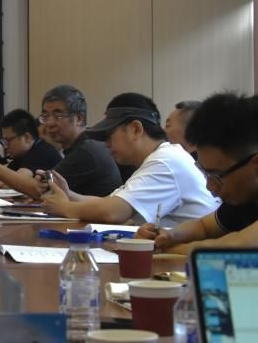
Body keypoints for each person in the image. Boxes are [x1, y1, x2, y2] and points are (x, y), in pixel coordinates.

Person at [42, 93, 218, 226]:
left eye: (109, 135)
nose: (106, 144)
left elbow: (113, 212)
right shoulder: (159, 158)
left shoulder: (166, 162)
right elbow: (109, 203)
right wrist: (69, 195)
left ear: (135, 129)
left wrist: (65, 207)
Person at [136, 92, 258, 251]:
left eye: (217, 175)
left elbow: (238, 246)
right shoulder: (243, 197)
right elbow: (203, 227)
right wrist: (169, 236)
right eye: (206, 173)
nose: (210, 187)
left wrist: (165, 248)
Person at [35, 84, 122, 198]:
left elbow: (38, 191)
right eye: (45, 116)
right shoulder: (88, 141)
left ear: (79, 118)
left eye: (58, 116)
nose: (49, 123)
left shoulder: (86, 151)